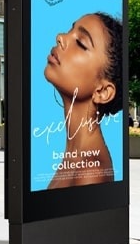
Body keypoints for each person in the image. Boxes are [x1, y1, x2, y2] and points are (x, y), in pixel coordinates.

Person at [44, 12, 122, 190]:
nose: (60, 37)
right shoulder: (76, 158)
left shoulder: (90, 170)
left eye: (80, 43)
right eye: (70, 30)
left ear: (102, 91)